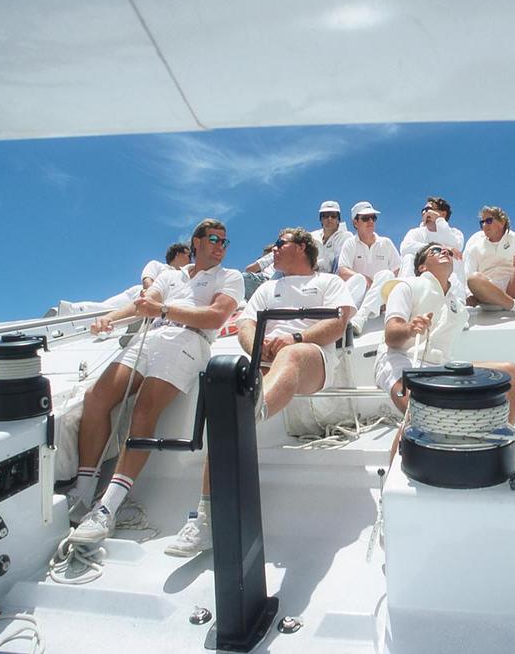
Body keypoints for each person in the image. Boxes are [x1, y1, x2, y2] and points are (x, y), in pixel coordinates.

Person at [165, 227, 355, 556]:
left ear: (303, 248)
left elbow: (339, 323)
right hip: (265, 359)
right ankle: (206, 518)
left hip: (312, 356)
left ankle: (250, 412)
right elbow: (245, 323)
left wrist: (295, 339)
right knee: (228, 380)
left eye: (281, 244)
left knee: (289, 358)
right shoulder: (268, 288)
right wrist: (258, 346)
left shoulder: (329, 283)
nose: (274, 249)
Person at [68, 220, 244, 544]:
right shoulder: (171, 275)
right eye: (215, 239)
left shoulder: (229, 277)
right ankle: (83, 492)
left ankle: (106, 509)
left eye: (225, 241)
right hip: (152, 337)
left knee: (144, 410)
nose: (221, 246)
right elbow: (142, 305)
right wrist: (109, 319)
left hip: (189, 340)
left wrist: (163, 308)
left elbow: (216, 316)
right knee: (97, 397)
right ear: (197, 242)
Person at [375, 243, 515, 422]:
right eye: (436, 251)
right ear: (422, 267)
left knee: (512, 374)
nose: (445, 252)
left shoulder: (459, 307)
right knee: (423, 416)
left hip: (442, 368)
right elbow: (391, 337)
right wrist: (410, 328)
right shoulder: (405, 286)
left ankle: (503, 439)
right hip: (401, 361)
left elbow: (483, 297)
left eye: (447, 251)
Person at [55, 243, 192, 315]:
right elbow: (147, 278)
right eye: (188, 255)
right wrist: (150, 296)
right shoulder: (158, 265)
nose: (190, 259)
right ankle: (69, 310)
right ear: (178, 253)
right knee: (109, 308)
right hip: (141, 294)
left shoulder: (186, 277)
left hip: (158, 305)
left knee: (120, 316)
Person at [337, 201, 401, 334]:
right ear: (355, 223)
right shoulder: (350, 243)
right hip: (358, 296)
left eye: (373, 218)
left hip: (380, 296)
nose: (371, 221)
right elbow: (342, 271)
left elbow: (398, 270)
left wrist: (386, 294)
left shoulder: (386, 243)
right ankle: (340, 320)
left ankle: (360, 318)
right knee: (359, 279)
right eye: (365, 218)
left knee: (387, 275)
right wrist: (365, 279)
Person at [399, 196, 466, 281]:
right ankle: (406, 289)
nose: (425, 213)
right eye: (423, 211)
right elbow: (405, 248)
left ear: (443, 214)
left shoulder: (455, 233)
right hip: (420, 277)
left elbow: (456, 248)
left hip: (447, 279)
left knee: (454, 258)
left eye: (428, 209)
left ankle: (456, 293)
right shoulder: (416, 232)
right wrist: (443, 247)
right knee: (409, 257)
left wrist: (439, 220)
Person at [311, 200, 353, 273]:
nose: (329, 219)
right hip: (313, 278)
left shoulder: (346, 236)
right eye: (326, 216)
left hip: (335, 278)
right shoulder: (312, 236)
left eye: (333, 216)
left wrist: (316, 265)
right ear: (321, 219)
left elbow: (339, 262)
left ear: (338, 219)